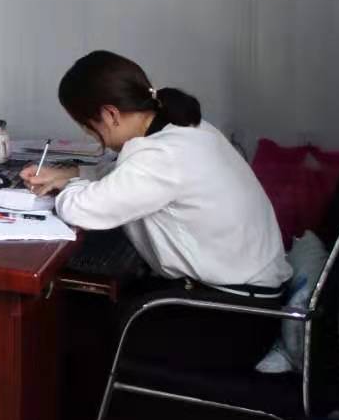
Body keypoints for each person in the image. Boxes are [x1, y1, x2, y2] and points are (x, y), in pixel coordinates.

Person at [21, 50, 292, 371]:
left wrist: (68, 187)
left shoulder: (161, 156)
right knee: (93, 300)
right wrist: (68, 174)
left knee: (81, 322)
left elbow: (81, 210)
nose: (95, 138)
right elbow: (127, 177)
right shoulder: (183, 127)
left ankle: (85, 399)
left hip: (230, 320)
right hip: (249, 301)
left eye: (90, 128)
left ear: (110, 114)